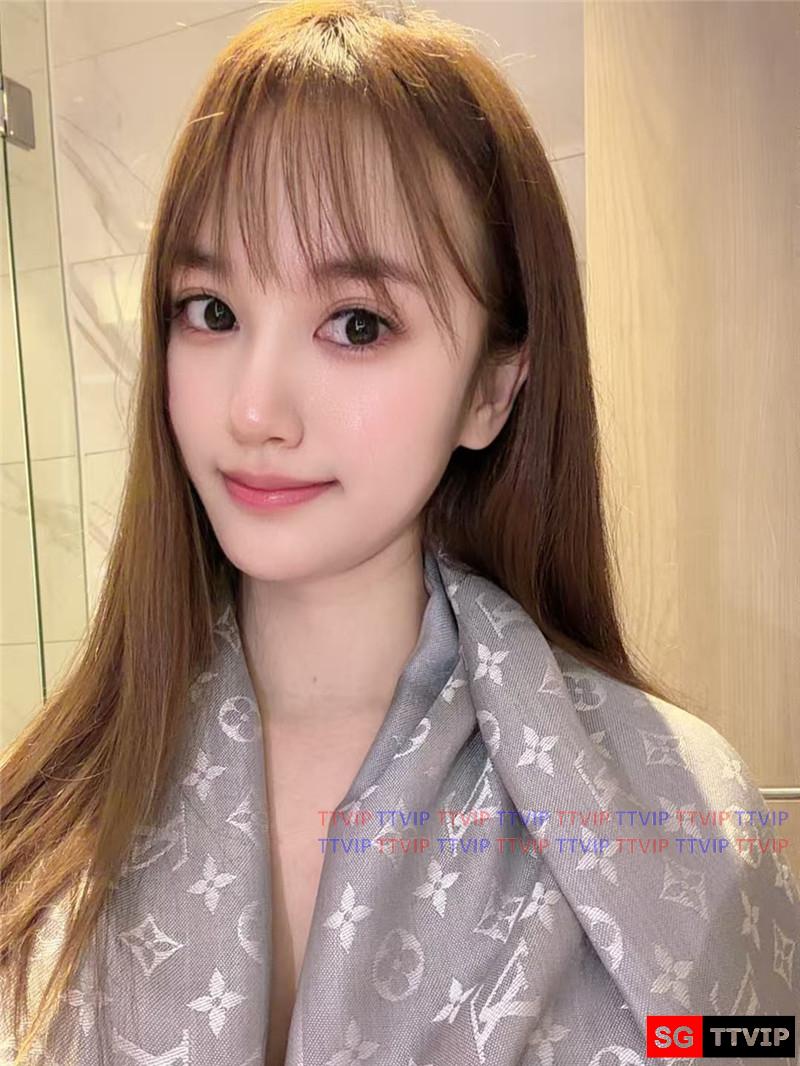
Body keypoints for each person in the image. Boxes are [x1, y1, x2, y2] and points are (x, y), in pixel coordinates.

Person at [2, 2, 797, 1065]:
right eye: (211, 311)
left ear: (492, 389)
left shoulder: (682, 812)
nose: (254, 410)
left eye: (356, 324)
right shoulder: (46, 811)